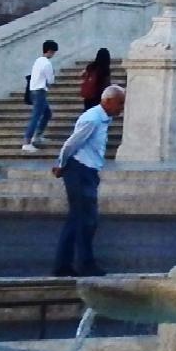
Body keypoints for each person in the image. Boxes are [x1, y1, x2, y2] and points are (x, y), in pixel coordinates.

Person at [51, 84, 123, 277]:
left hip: (87, 170)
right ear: (107, 101)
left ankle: (63, 265)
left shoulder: (101, 119)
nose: (121, 108)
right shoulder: (92, 119)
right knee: (87, 220)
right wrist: (61, 164)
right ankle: (85, 263)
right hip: (80, 170)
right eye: (119, 103)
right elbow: (71, 144)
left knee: (76, 219)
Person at [21, 40, 59, 154]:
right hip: (40, 91)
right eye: (53, 52)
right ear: (50, 51)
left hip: (34, 90)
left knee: (47, 114)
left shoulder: (38, 61)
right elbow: (51, 80)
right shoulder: (47, 63)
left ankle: (37, 136)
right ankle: (27, 142)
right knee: (36, 117)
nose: (54, 54)